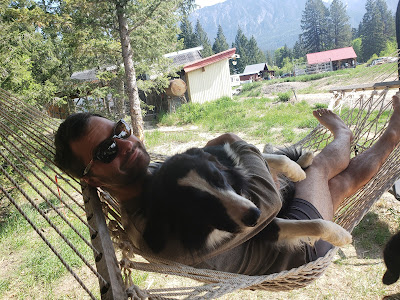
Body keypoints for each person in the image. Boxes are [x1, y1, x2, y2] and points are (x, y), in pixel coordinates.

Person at [54, 94, 400, 275]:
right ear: (90, 177)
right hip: (293, 251)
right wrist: (233, 143)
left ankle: (376, 138)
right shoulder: (154, 232)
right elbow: (265, 204)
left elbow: (199, 166)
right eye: (108, 149)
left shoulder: (146, 176)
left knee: (335, 180)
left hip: (277, 216)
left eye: (120, 130)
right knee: (326, 170)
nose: (127, 144)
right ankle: (350, 134)